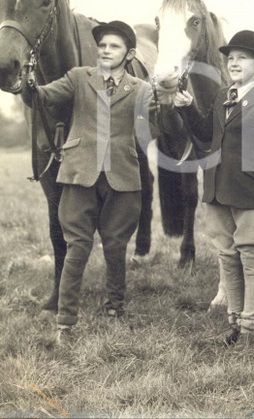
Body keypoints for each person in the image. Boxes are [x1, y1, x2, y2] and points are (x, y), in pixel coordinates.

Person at [24, 20, 179, 344]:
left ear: (129, 53)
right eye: (103, 45)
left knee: (115, 246)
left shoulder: (141, 89)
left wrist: (166, 104)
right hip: (80, 176)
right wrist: (25, 83)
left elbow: (154, 131)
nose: (106, 50)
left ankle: (115, 308)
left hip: (122, 177)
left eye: (115, 46)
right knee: (76, 247)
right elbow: (42, 97)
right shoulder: (79, 78)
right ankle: (65, 321)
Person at [171, 30, 254, 348]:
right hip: (217, 187)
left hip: (248, 189)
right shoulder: (221, 95)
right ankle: (234, 322)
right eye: (230, 57)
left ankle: (250, 328)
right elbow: (206, 136)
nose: (233, 62)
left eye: (242, 57)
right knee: (227, 257)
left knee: (251, 257)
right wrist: (188, 109)